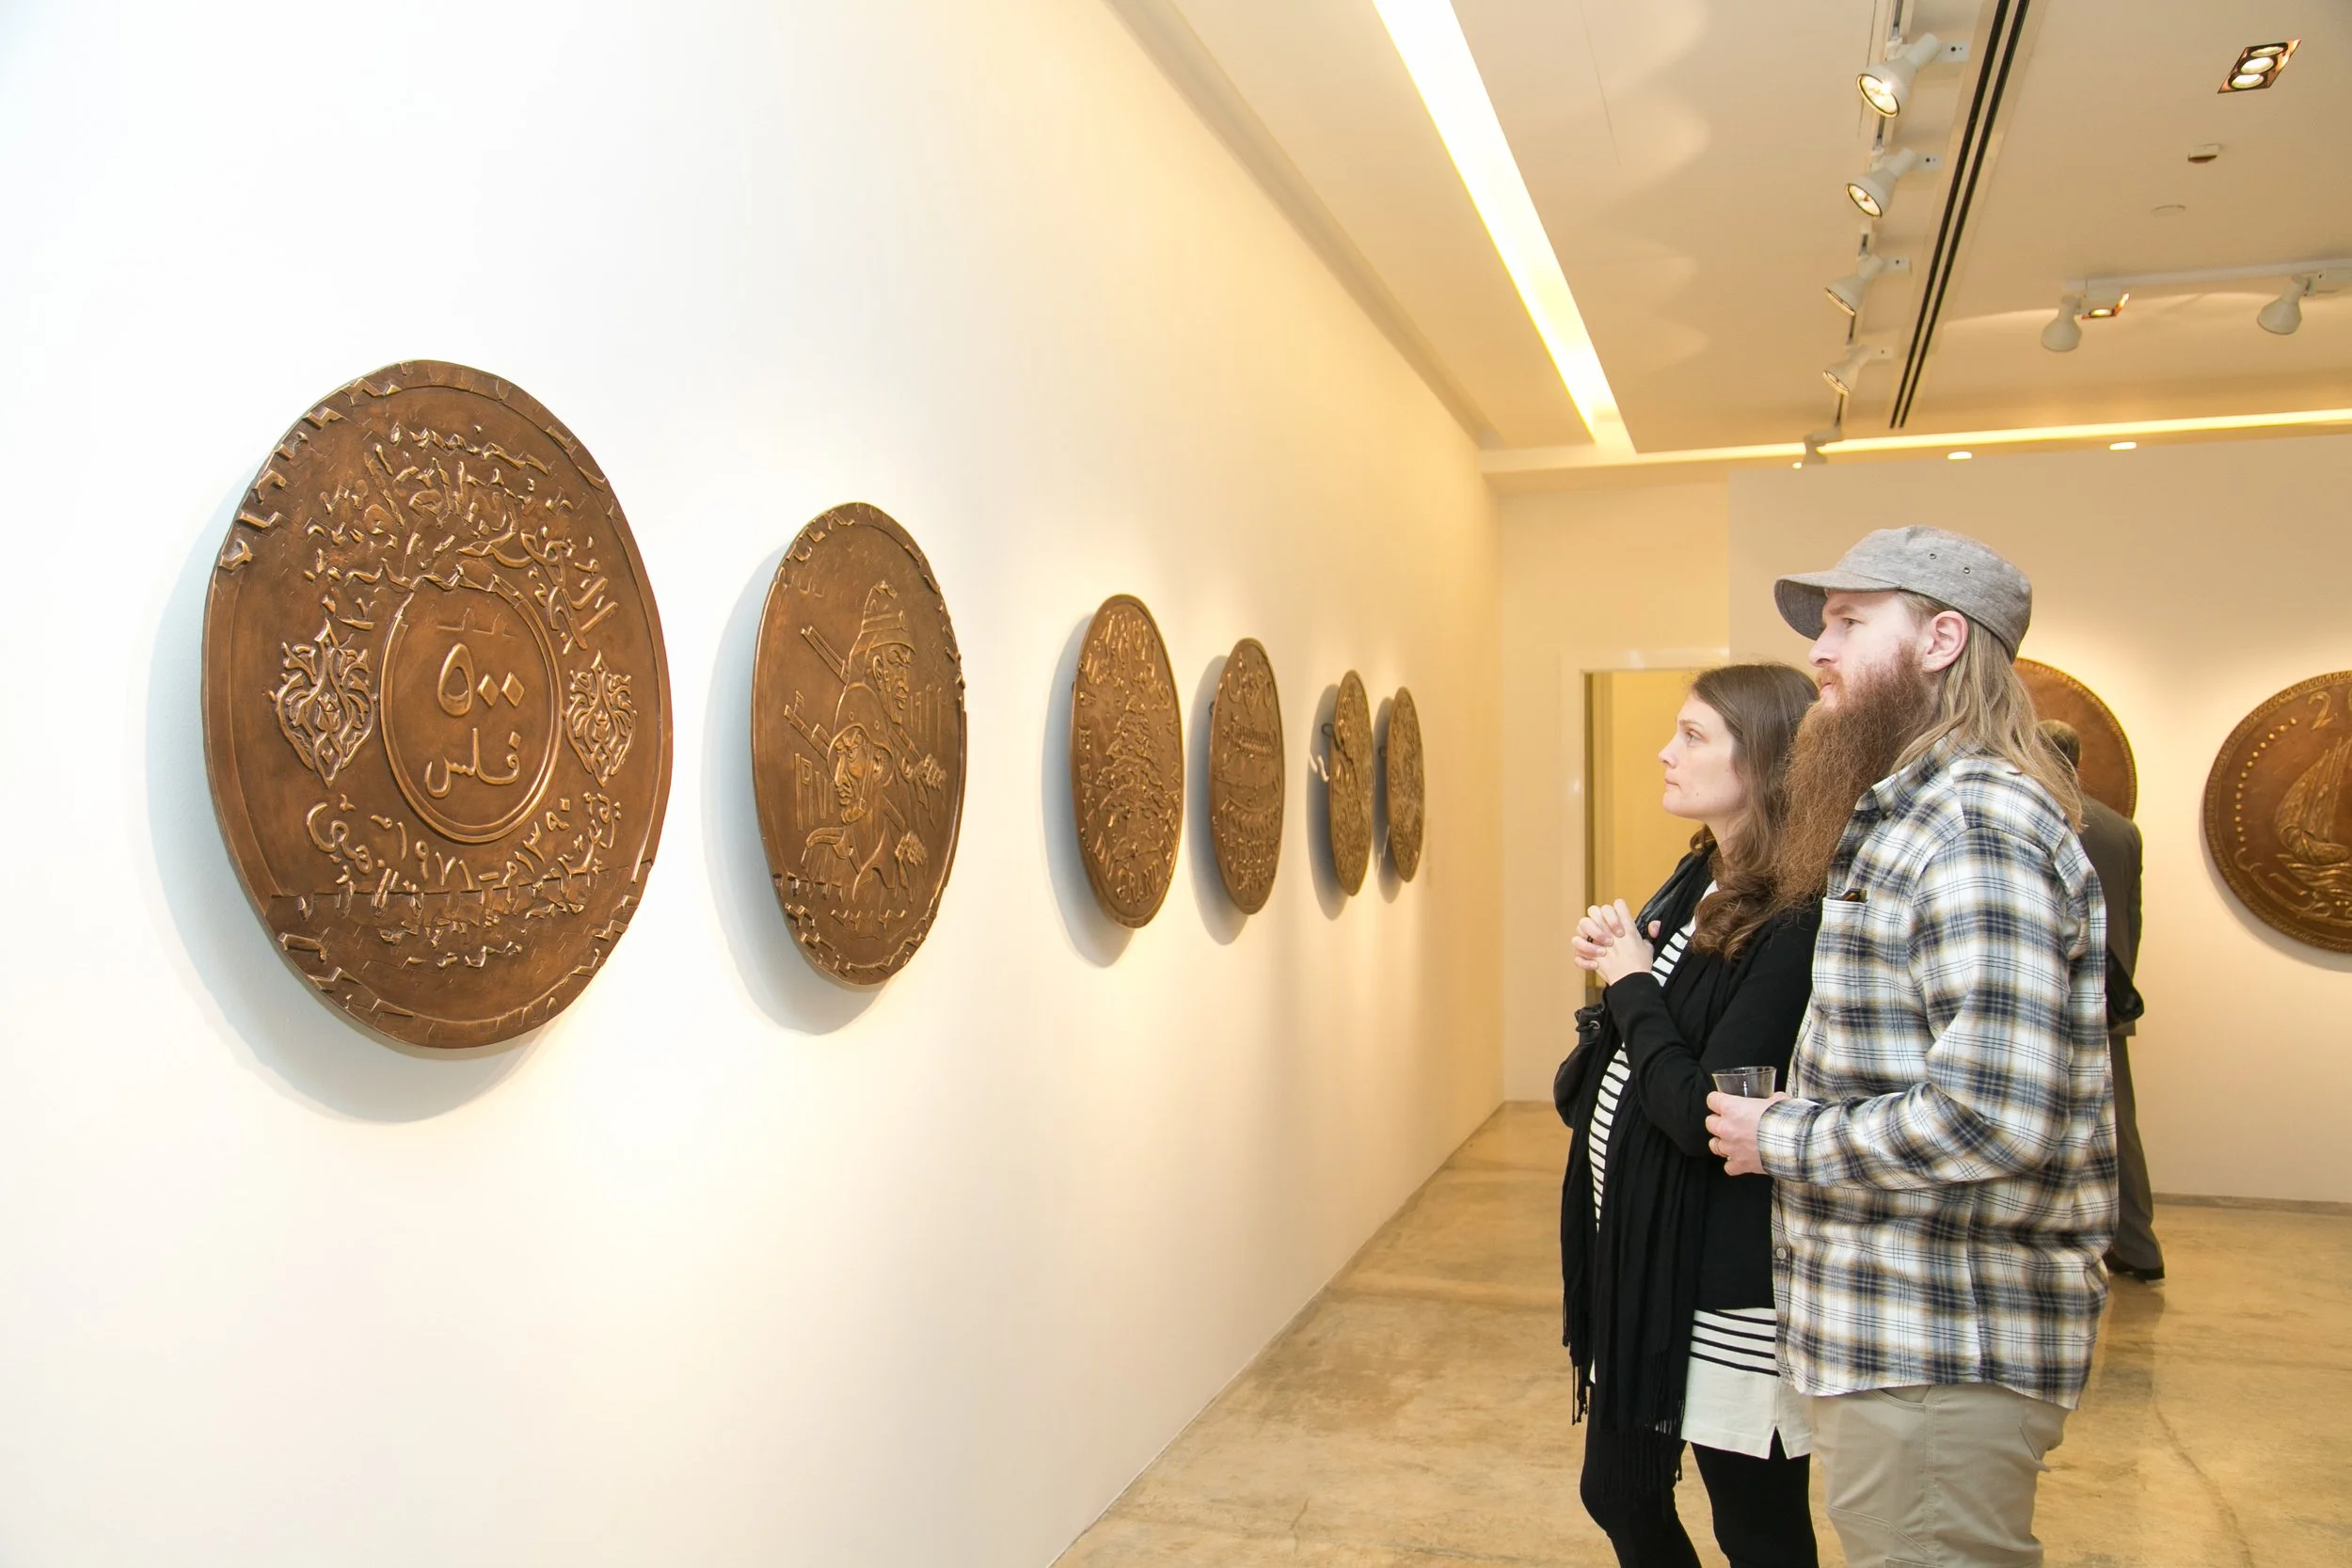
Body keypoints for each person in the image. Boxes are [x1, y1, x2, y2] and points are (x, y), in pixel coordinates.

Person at [1704, 527, 2117, 1568]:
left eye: (1849, 622)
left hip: (1938, 1345)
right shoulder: (1910, 812)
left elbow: (1990, 1115)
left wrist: (1780, 1134)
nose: (1819, 651)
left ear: (1939, 639)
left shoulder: (1973, 824)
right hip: (1893, 1336)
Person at [1555, 663, 1823, 1568]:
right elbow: (1638, 1048)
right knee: (1619, 1489)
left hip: (1722, 1272)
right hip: (1646, 1258)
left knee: (1759, 1526)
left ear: (1769, 759)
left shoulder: (1793, 918)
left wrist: (1630, 979)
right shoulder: (1699, 878)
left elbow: (1701, 1110)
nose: (1666, 753)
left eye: (1695, 735)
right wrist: (1623, 978)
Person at [2041, 719, 2164, 1281]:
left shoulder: (2035, 819)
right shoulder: (2120, 828)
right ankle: (2137, 1245)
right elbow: (2131, 922)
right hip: (2109, 999)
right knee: (2120, 1125)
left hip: (2049, 997)